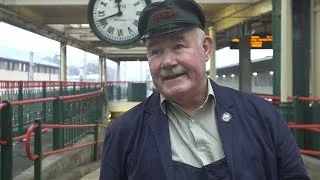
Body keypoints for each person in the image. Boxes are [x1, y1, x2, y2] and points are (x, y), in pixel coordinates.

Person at [99, 0, 310, 179]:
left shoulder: (263, 117)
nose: (167, 61)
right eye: (156, 51)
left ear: (206, 48)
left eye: (179, 46)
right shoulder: (123, 133)